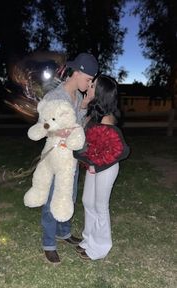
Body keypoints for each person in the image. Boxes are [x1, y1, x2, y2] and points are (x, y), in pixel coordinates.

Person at [41, 52, 99, 264]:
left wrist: (85, 106)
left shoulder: (80, 98)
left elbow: (78, 126)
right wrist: (55, 131)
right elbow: (43, 126)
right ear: (78, 73)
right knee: (52, 200)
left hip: (72, 158)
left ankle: (63, 232)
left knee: (70, 196)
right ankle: (49, 243)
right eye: (88, 79)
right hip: (56, 156)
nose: (90, 83)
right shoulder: (54, 97)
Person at [74, 75, 130, 260]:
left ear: (100, 92)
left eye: (93, 85)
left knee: (100, 205)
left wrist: (94, 165)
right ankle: (89, 239)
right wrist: (85, 103)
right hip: (94, 166)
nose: (89, 86)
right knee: (87, 201)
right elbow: (83, 133)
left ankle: (100, 248)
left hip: (106, 167)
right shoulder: (94, 112)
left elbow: (115, 149)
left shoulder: (107, 119)